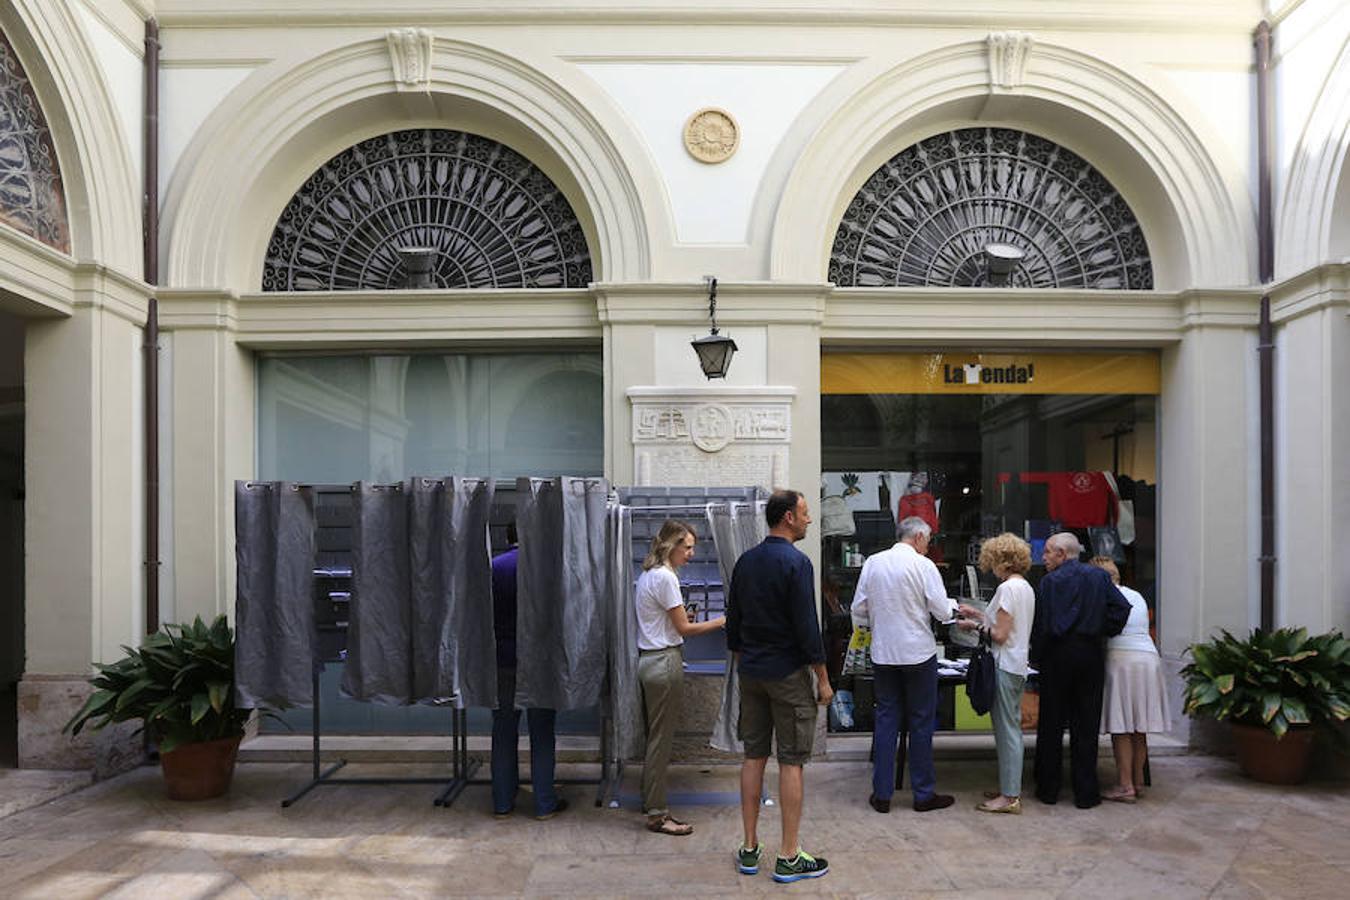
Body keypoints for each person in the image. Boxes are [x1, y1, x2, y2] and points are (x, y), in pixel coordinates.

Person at [726, 490, 832, 884]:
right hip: (787, 673)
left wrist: (746, 663)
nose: (809, 520)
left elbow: (733, 621)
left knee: (753, 756)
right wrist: (822, 678)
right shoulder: (797, 563)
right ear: (788, 517)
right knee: (791, 760)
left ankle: (750, 847)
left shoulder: (746, 561)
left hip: (751, 670)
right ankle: (789, 856)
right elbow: (807, 627)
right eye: (805, 513)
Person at [851, 516, 969, 814]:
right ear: (917, 537)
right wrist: (956, 607)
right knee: (920, 723)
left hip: (884, 653)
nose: (928, 546)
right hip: (918, 653)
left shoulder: (873, 563)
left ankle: (882, 795)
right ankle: (923, 794)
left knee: (887, 720)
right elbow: (942, 612)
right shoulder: (923, 565)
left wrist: (881, 620)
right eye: (928, 540)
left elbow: (859, 608)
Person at [635, 519, 726, 836]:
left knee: (654, 739)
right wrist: (722, 621)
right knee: (661, 742)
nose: (690, 553)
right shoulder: (666, 578)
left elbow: (668, 622)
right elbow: (686, 630)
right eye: (686, 547)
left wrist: (680, 620)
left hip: (649, 660)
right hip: (664, 662)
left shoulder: (648, 575)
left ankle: (651, 802)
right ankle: (658, 814)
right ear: (670, 545)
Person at [1030, 532, 1130, 809]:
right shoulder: (1099, 578)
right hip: (1089, 654)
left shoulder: (1049, 582)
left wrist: (1035, 657)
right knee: (1086, 724)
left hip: (1056, 656)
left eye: (1049, 552)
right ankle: (1086, 792)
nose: (1044, 557)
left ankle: (1049, 788)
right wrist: (1101, 629)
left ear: (1063, 553)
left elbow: (1042, 624)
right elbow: (1121, 608)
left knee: (1051, 723)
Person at [490, 526, 565, 820]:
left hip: (503, 659)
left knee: (504, 730)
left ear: (508, 536)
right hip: (541, 662)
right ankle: (544, 803)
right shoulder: (547, 570)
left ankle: (502, 802)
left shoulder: (494, 567)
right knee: (542, 732)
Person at [960, 533, 1035, 814]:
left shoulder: (1007, 590)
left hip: (1003, 665)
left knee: (1007, 732)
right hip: (1017, 665)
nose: (988, 566)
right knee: (1010, 728)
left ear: (1000, 560)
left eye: (990, 560)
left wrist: (973, 627)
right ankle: (1008, 787)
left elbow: (1000, 635)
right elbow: (1011, 628)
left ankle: (1010, 796)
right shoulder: (1024, 587)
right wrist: (978, 615)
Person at [1091, 556, 1170, 803]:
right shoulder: (1136, 595)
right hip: (1148, 657)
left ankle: (1124, 785)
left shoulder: (1103, 596)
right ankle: (1137, 781)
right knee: (1139, 726)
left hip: (1121, 659)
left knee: (1121, 726)